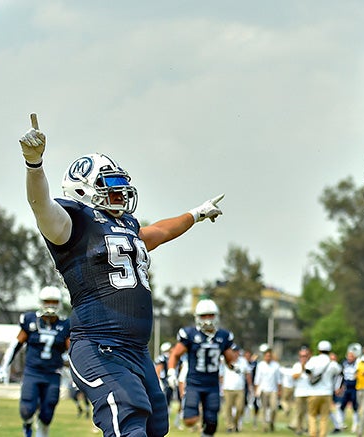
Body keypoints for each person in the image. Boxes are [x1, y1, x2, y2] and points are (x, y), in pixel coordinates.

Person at [18, 115, 224, 437]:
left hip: (137, 351)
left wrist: (195, 214)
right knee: (128, 421)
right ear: (83, 190)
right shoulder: (71, 223)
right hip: (100, 345)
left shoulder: (126, 226)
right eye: (109, 186)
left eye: (119, 184)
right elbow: (40, 204)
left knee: (156, 427)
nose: (119, 192)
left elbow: (158, 231)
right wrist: (35, 164)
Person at [0, 286, 71, 437]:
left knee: (47, 412)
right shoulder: (30, 320)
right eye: (47, 301)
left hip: (53, 373)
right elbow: (15, 345)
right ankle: (28, 424)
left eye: (54, 302)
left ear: (59, 303)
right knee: (27, 409)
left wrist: (76, 374)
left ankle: (41, 433)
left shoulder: (65, 325)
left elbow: (72, 352)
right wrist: (4, 367)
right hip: (33, 372)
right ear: (41, 302)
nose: (50, 305)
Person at [167, 299, 236, 437]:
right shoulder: (191, 334)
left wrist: (233, 364)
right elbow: (175, 354)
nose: (207, 319)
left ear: (216, 316)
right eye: (204, 316)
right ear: (197, 317)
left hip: (212, 385)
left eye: (210, 315)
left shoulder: (223, 336)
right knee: (190, 420)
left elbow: (230, 358)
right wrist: (171, 372)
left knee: (212, 423)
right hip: (194, 383)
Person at [304, 340, 343, 437]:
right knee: (324, 417)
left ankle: (313, 434)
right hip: (326, 393)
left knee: (312, 416)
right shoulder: (332, 362)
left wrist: (312, 377)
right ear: (329, 351)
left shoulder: (314, 359)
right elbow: (340, 372)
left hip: (313, 392)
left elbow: (307, 370)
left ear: (319, 350)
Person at [220, 344, 250, 432]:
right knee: (228, 408)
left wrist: (250, 386)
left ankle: (236, 423)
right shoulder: (225, 361)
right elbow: (221, 375)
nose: (235, 354)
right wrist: (221, 386)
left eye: (237, 352)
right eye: (233, 352)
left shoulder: (243, 361)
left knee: (240, 408)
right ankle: (229, 426)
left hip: (240, 388)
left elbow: (247, 374)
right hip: (228, 388)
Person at [253, 345, 281, 432]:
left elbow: (278, 380)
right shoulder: (260, 365)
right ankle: (264, 426)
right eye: (267, 356)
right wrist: (256, 390)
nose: (268, 357)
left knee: (273, 408)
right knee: (264, 409)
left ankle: (272, 423)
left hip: (273, 390)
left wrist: (279, 390)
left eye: (270, 356)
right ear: (264, 356)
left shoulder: (276, 365)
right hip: (263, 390)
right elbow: (257, 379)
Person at [335, 344, 360, 432]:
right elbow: (341, 377)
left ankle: (355, 425)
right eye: (349, 356)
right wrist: (339, 387)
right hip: (346, 387)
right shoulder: (344, 364)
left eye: (352, 356)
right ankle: (341, 424)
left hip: (355, 388)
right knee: (341, 406)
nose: (350, 358)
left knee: (355, 407)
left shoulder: (358, 364)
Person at [290, 346, 312, 435]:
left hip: (309, 392)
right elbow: (294, 377)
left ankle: (308, 428)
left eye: (305, 356)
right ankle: (298, 428)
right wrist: (302, 370)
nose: (303, 358)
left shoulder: (311, 365)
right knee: (299, 412)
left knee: (309, 413)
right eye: (302, 356)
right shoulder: (296, 365)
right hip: (299, 393)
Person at [154, 342, 174, 413]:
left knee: (169, 397)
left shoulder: (171, 357)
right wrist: (158, 380)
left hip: (169, 379)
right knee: (165, 397)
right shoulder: (162, 358)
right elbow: (158, 370)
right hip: (164, 380)